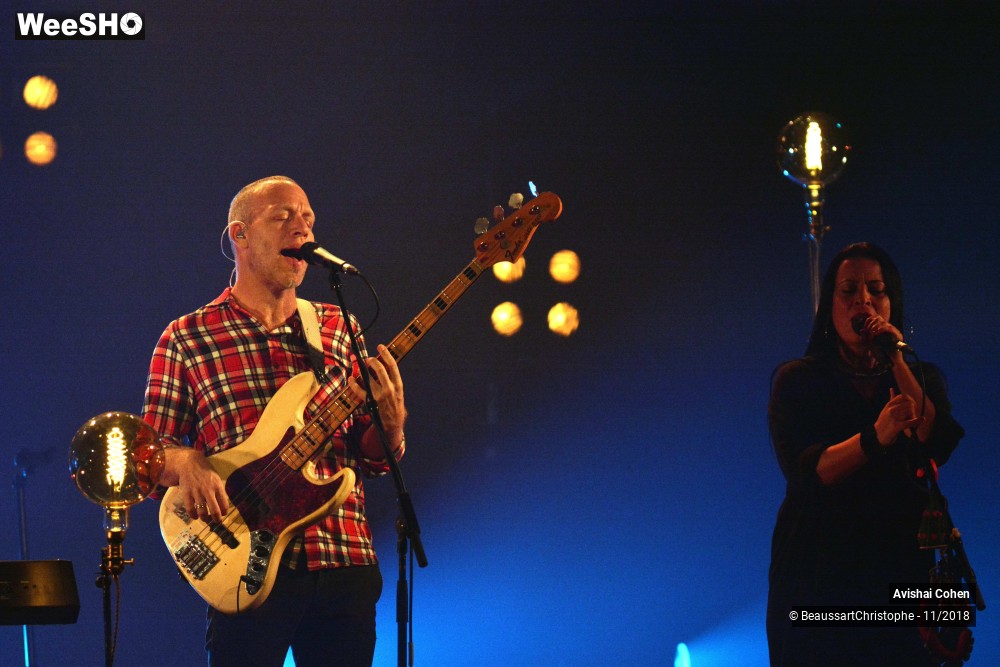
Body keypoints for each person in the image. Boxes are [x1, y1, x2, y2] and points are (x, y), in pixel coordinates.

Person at [142, 175, 407, 666]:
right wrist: (188, 463)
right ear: (239, 235)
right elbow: (148, 453)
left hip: (342, 558)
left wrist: (390, 427)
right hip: (241, 563)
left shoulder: (338, 327)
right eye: (283, 216)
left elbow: (370, 460)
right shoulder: (187, 337)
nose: (302, 228)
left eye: (307, 218)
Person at [766, 242, 965, 666]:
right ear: (830, 305)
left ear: (893, 302)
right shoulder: (797, 380)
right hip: (820, 570)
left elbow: (934, 440)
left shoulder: (920, 375)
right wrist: (876, 436)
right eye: (849, 290)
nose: (864, 300)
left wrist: (893, 355)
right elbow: (808, 473)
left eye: (877, 289)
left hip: (902, 564)